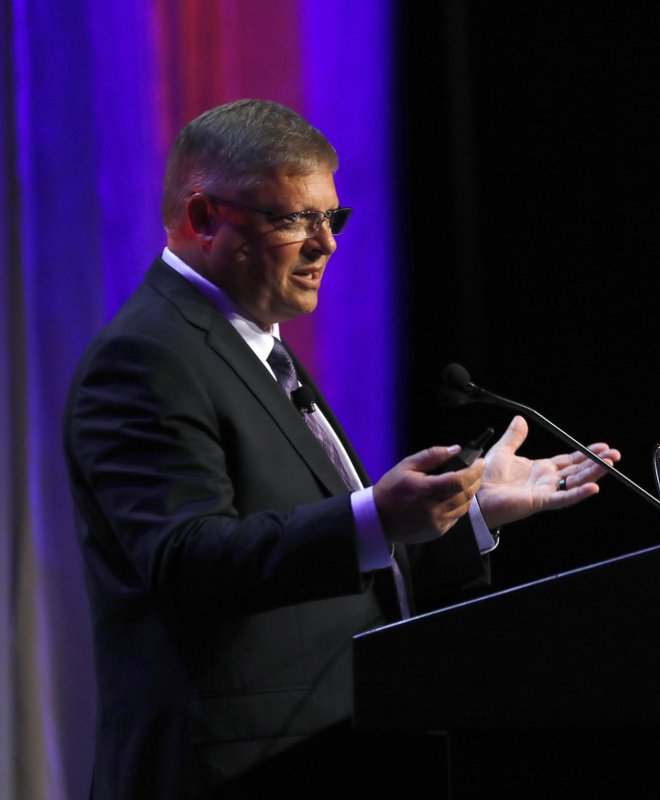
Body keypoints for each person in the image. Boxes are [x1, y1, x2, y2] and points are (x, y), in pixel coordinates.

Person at [63, 98, 619, 799]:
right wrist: (374, 518)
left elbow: (310, 573)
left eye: (332, 218)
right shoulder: (147, 358)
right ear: (204, 218)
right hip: (229, 771)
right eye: (294, 219)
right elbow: (188, 561)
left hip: (329, 755)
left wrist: (467, 517)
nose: (325, 243)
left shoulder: (254, 347)